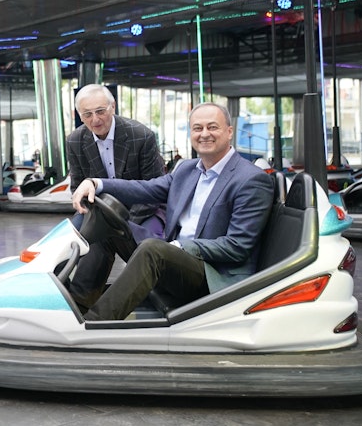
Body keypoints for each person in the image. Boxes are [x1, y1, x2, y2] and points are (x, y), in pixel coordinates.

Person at [68, 102, 274, 320]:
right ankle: (78, 308)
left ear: (229, 132)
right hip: (175, 259)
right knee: (107, 226)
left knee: (153, 250)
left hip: (212, 273)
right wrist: (97, 183)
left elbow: (236, 247)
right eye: (197, 128)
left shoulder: (251, 179)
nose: (204, 134)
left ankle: (96, 323)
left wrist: (180, 246)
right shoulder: (187, 169)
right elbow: (145, 188)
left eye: (212, 127)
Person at [66, 83, 166, 233]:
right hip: (100, 209)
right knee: (73, 241)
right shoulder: (74, 141)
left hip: (143, 208)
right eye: (87, 114)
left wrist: (122, 221)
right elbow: (77, 187)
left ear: (113, 106)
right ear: (80, 115)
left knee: (147, 246)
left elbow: (156, 188)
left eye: (100, 111)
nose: (95, 120)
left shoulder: (141, 136)